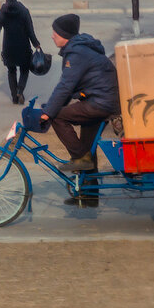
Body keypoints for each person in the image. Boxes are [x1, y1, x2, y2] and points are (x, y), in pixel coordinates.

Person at [39, 14, 121, 190]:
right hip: (101, 100)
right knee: (87, 146)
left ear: (64, 35)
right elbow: (70, 86)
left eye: (55, 32)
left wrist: (49, 113)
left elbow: (65, 86)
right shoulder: (78, 49)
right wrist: (52, 106)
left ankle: (81, 159)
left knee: (58, 118)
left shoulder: (77, 53)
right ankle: (89, 194)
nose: (52, 36)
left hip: (101, 102)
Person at [0, 0, 41, 104]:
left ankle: (14, 97)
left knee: (11, 71)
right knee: (24, 69)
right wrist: (36, 45)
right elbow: (30, 30)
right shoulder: (24, 11)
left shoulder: (2, 12)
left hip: (8, 47)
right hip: (23, 46)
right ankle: (20, 91)